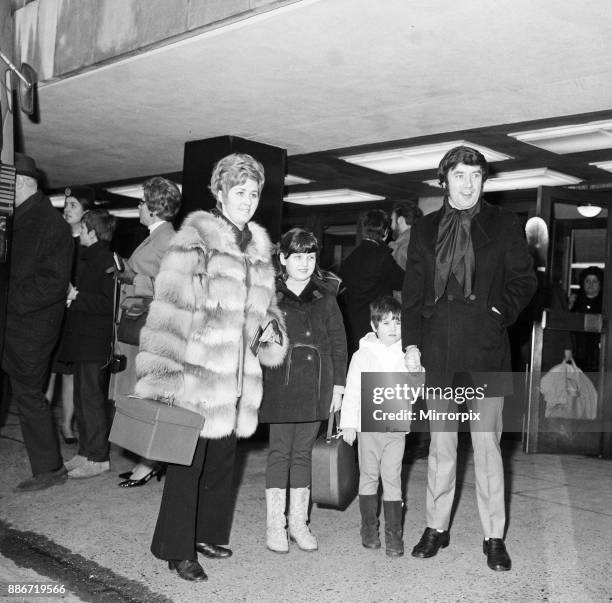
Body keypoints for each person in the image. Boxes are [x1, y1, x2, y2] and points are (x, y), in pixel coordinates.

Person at [133, 153, 287, 581]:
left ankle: (206, 533)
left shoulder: (258, 245)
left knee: (222, 461)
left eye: (254, 193)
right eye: (240, 192)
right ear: (220, 193)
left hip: (238, 374)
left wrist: (270, 333)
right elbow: (169, 312)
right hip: (196, 374)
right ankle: (175, 547)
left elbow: (265, 308)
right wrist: (161, 382)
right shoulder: (194, 238)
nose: (248, 200)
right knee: (188, 464)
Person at [401, 145, 536, 571]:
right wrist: (411, 345)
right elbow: (413, 293)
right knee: (440, 448)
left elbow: (524, 280)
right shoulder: (423, 230)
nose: (469, 185)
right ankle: (435, 527)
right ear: (444, 180)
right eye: (460, 176)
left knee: (487, 447)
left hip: (487, 349)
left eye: (476, 177)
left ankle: (493, 535)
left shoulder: (505, 224)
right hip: (438, 348)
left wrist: (500, 313)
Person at [259, 228, 347, 554]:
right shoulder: (268, 294)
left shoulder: (326, 296)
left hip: (317, 385)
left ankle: (298, 523)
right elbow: (255, 340)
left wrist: (339, 386)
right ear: (282, 258)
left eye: (310, 256)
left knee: (303, 454)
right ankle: (275, 525)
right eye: (297, 256)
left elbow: (339, 343)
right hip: (280, 384)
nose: (305, 263)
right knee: (280, 452)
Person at [2, 153, 73, 492]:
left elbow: (52, 283)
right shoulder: (17, 218)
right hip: (12, 322)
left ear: (22, 183)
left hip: (31, 328)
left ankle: (50, 469)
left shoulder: (51, 224)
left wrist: (8, 300)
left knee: (29, 395)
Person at [110, 176, 181, 487]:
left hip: (154, 328)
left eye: (141, 202)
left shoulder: (168, 239)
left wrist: (131, 276)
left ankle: (149, 462)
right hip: (145, 325)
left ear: (153, 208)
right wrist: (133, 273)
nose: (138, 206)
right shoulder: (155, 235)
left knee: (150, 394)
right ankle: (148, 460)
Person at [340, 296, 410, 558]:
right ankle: (369, 528)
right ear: (374, 325)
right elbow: (354, 391)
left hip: (395, 426)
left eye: (398, 322)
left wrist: (417, 372)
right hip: (368, 427)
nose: (393, 328)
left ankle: (394, 535)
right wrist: (348, 423)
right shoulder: (362, 355)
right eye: (386, 322)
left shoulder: (407, 354)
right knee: (369, 476)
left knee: (392, 478)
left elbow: (414, 392)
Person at [60, 209, 117, 478]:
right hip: (84, 341)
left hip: (94, 342)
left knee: (92, 400)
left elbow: (109, 305)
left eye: (82, 229)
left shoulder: (105, 260)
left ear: (93, 232)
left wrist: (75, 295)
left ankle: (98, 458)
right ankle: (85, 452)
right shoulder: (92, 257)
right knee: (82, 400)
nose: (79, 233)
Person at [46, 186, 95, 445]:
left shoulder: (88, 246)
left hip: (74, 315)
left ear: (86, 212)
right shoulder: (54, 239)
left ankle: (67, 425)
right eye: (66, 204)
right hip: (51, 312)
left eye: (73, 205)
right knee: (46, 369)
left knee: (68, 373)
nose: (67, 209)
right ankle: (42, 423)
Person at [339, 209, 404, 355]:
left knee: (360, 368)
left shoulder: (351, 258)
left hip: (353, 325)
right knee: (378, 372)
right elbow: (401, 281)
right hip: (377, 323)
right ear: (386, 231)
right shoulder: (383, 256)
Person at [570, 266, 603, 373]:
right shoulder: (575, 301)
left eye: (594, 281)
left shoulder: (605, 304)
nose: (591, 284)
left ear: (600, 284)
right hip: (576, 353)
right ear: (582, 283)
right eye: (587, 281)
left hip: (598, 354)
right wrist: (569, 306)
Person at [389, 201, 423, 271]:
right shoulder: (420, 241)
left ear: (400, 220)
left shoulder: (403, 247)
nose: (391, 225)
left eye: (392, 219)